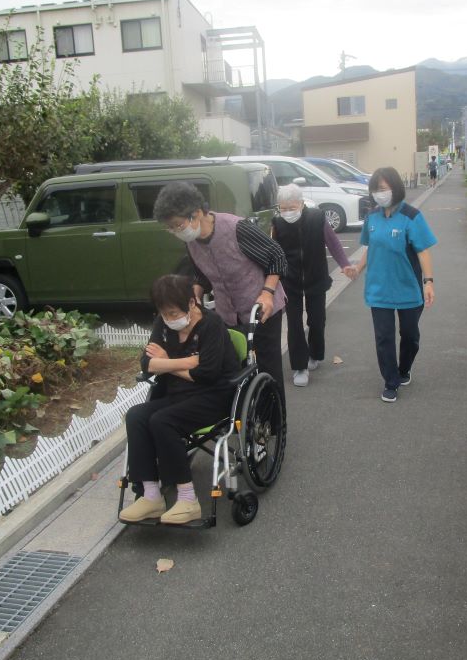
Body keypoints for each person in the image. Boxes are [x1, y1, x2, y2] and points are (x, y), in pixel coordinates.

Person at [153, 182, 287, 407]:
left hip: (261, 308)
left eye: (178, 225)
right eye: (171, 228)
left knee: (266, 365)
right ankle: (245, 418)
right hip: (227, 313)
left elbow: (277, 257)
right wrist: (194, 295)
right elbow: (202, 274)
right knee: (235, 367)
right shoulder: (192, 241)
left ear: (196, 214)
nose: (176, 232)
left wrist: (267, 293)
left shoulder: (236, 228)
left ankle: (274, 420)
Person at [120, 274, 241, 525]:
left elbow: (207, 374)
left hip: (215, 397)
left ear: (191, 303)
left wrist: (164, 363)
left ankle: (188, 500)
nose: (170, 319)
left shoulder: (212, 325)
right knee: (136, 416)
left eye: (175, 313)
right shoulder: (162, 325)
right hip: (178, 395)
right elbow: (146, 364)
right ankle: (151, 496)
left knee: (162, 421)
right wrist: (187, 363)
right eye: (165, 314)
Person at [351, 167, 437, 403]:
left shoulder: (411, 216)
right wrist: (356, 269)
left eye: (384, 189)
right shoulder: (372, 218)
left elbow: (423, 252)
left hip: (408, 288)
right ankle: (391, 381)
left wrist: (428, 282)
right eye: (376, 190)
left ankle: (404, 368)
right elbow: (370, 248)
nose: (380, 194)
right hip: (378, 289)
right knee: (384, 338)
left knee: (410, 335)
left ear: (396, 188)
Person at [271, 184, 354, 387]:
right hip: (290, 280)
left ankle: (315, 353)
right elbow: (272, 251)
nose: (287, 212)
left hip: (316, 277)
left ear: (301, 203)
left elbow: (333, 242)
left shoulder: (317, 218)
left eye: (291, 207)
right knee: (294, 324)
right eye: (283, 208)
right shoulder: (278, 223)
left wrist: (344, 264)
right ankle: (300, 366)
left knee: (317, 321)